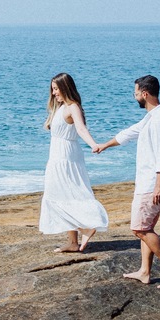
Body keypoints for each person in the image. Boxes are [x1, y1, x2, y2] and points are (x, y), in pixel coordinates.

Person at [94, 75, 160, 288]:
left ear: (145, 93)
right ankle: (144, 271)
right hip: (147, 183)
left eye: (135, 94)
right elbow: (129, 133)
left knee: (140, 229)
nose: (134, 98)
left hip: (152, 184)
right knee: (146, 226)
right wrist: (105, 145)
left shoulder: (159, 120)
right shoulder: (151, 117)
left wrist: (158, 185)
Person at [39, 73, 109, 253]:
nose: (54, 93)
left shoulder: (72, 107)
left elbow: (80, 128)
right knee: (63, 194)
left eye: (56, 89)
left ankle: (88, 225)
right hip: (57, 155)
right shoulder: (60, 108)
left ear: (65, 88)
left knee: (70, 193)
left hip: (66, 156)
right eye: (52, 89)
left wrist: (94, 144)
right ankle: (72, 242)